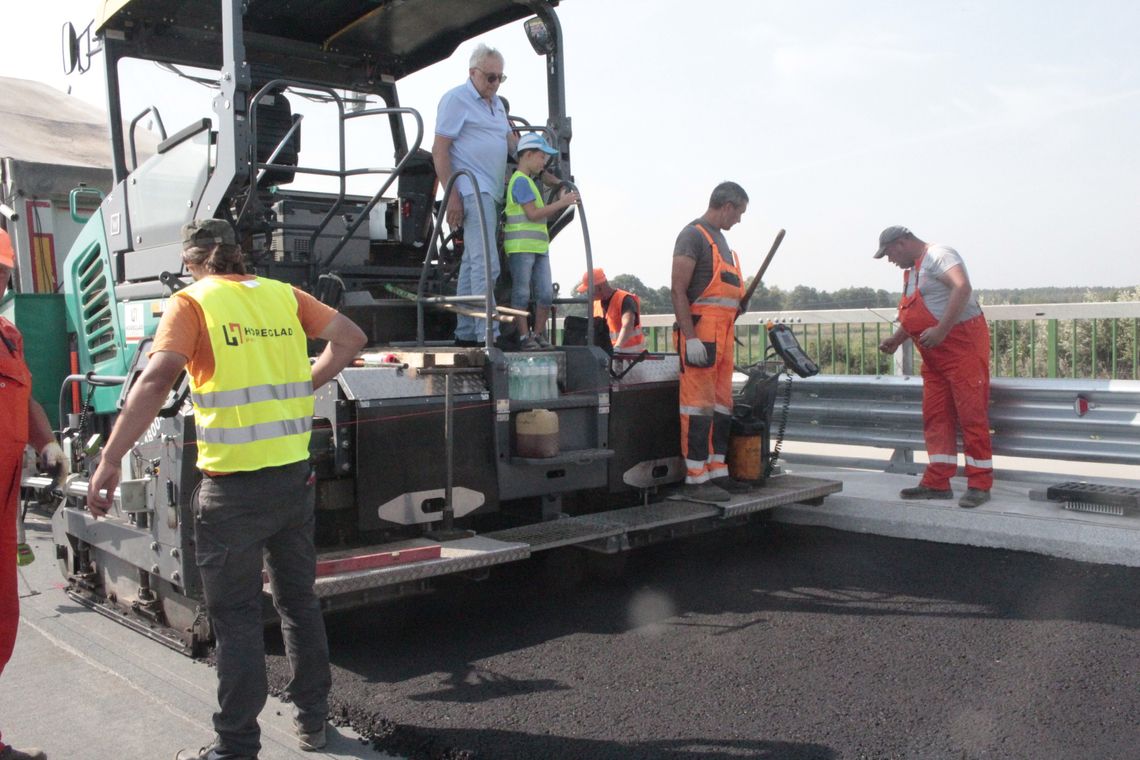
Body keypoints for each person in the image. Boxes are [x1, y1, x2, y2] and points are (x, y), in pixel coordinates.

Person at [86, 220, 367, 760]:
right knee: (299, 604)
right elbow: (351, 338)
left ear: (193, 263)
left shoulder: (192, 303)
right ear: (241, 257)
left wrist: (111, 457)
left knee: (236, 618)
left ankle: (237, 745)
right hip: (292, 480)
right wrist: (305, 381)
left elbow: (155, 380)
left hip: (233, 494)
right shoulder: (284, 296)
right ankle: (313, 723)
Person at [875, 225, 993, 509]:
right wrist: (897, 338)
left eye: (889, 253)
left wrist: (941, 330)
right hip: (935, 358)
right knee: (936, 418)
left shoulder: (939, 255)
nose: (890, 260)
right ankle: (937, 482)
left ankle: (979, 484)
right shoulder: (913, 272)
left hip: (962, 348)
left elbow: (962, 287)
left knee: (971, 418)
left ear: (901, 243)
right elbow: (916, 314)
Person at [1, 228, 63, 760]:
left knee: (2, 623)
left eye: (1, 276)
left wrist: (48, 444)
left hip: (3, 501)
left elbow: (29, 397)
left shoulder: (8, 336)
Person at [670, 182, 754, 502]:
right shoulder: (693, 236)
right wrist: (689, 337)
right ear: (727, 206)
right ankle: (696, 477)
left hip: (724, 335)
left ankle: (717, 470)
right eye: (740, 213)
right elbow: (678, 290)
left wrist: (739, 305)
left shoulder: (724, 244)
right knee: (697, 407)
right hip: (701, 336)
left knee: (721, 406)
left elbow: (725, 297)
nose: (739, 220)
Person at [432, 43, 515, 348]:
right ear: (473, 73)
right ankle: (486, 335)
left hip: (492, 191)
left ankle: (467, 331)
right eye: (490, 77)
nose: (494, 84)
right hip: (471, 188)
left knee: (471, 261)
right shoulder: (455, 100)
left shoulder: (498, 105)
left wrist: (538, 155)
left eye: (500, 79)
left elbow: (510, 143)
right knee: (486, 262)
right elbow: (439, 152)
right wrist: (451, 195)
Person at [505, 133, 579, 350]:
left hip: (538, 247)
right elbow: (533, 214)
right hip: (521, 247)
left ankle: (537, 335)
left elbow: (546, 177)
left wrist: (560, 185)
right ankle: (523, 337)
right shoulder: (520, 182)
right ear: (528, 155)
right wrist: (563, 201)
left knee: (545, 294)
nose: (543, 163)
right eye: (541, 158)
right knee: (522, 293)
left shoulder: (528, 179)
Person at [574, 268, 646, 352]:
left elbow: (628, 324)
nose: (588, 294)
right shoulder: (595, 304)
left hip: (631, 358)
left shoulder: (625, 299)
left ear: (599, 288)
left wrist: (617, 347)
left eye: (589, 290)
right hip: (610, 356)